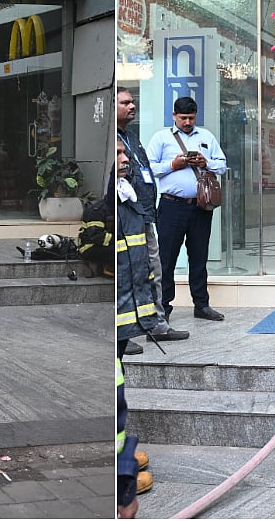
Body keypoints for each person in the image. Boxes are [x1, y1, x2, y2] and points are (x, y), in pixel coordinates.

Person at [116, 87, 189, 353]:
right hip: (125, 217)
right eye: (125, 102)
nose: (132, 106)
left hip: (145, 215)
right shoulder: (112, 141)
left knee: (152, 271)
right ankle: (124, 333)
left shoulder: (132, 138)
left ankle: (155, 323)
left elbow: (144, 171)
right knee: (127, 274)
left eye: (133, 102)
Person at [145, 96, 227, 322]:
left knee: (199, 257)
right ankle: (163, 307)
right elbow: (149, 169)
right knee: (167, 258)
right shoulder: (161, 138)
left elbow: (223, 164)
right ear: (174, 116)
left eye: (191, 118)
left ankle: (201, 304)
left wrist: (205, 163)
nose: (187, 122)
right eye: (183, 118)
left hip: (201, 207)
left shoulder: (206, 136)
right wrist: (173, 164)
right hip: (172, 206)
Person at [114, 140, 159, 505]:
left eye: (125, 153)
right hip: (114, 318)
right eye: (117, 153)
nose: (126, 158)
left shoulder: (127, 196)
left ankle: (122, 462)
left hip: (125, 317)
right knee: (115, 392)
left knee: (120, 388)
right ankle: (119, 472)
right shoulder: (110, 206)